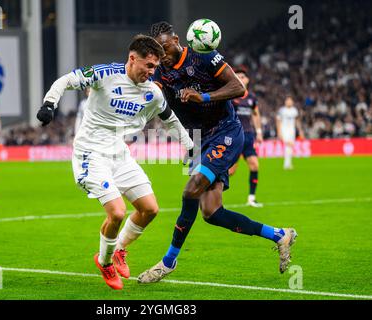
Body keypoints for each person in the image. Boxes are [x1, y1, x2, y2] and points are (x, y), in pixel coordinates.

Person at [138, 22, 297, 284]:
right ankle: (280, 235)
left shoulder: (204, 55)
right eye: (157, 51)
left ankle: (168, 262)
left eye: (165, 47)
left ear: (177, 40)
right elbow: (153, 93)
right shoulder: (160, 71)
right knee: (212, 213)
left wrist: (206, 97)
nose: (162, 54)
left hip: (226, 131)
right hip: (199, 139)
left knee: (191, 190)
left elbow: (238, 88)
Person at [36, 34, 193, 290]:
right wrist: (49, 103)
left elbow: (170, 119)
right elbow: (67, 80)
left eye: (156, 67)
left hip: (119, 154)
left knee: (150, 209)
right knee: (118, 212)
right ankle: (105, 261)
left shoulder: (151, 92)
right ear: (133, 58)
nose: (153, 72)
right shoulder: (105, 74)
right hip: (90, 154)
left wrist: (189, 146)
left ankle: (119, 249)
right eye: (149, 66)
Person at [228, 67, 264, 207]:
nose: (241, 79)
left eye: (243, 77)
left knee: (254, 165)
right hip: (235, 136)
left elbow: (256, 114)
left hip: (248, 135)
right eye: (238, 76)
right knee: (230, 171)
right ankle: (209, 194)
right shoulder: (230, 96)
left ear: (247, 79)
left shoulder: (251, 98)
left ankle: (251, 198)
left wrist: (259, 132)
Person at [276, 96, 305, 170]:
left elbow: (296, 121)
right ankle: (287, 164)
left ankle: (288, 164)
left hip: (292, 130)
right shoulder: (282, 110)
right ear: (285, 102)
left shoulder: (294, 110)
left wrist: (300, 130)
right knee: (288, 145)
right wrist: (279, 132)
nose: (289, 102)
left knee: (289, 147)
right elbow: (278, 121)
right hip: (284, 130)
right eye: (288, 100)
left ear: (292, 102)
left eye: (290, 100)